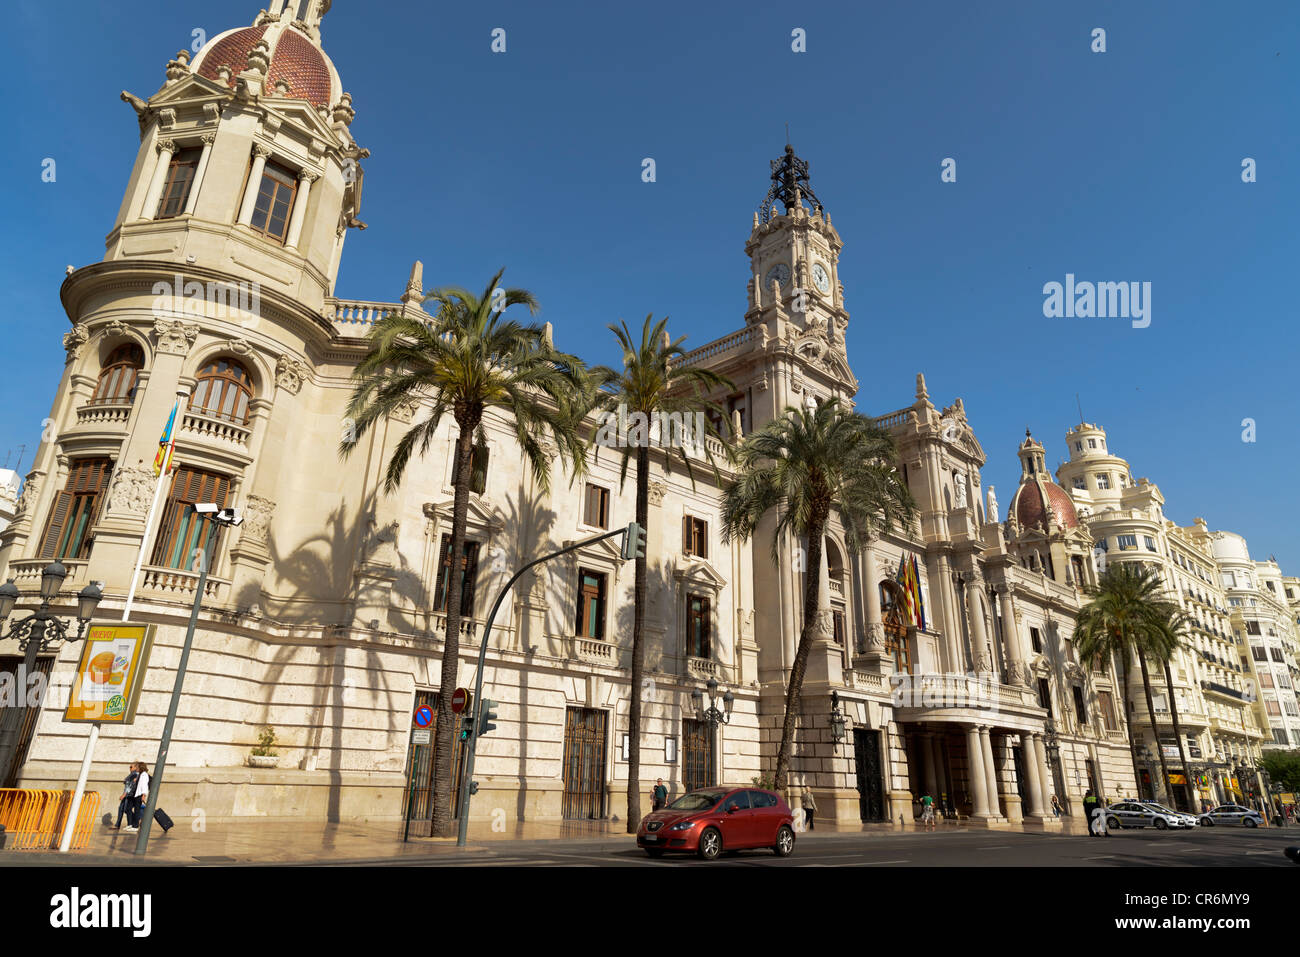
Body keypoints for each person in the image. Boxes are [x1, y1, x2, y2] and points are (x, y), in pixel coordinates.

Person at [114, 763, 140, 830]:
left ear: (136, 768)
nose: (130, 768)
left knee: (125, 809)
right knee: (123, 809)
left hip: (129, 794)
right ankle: (120, 824)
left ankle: (134, 822)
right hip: (129, 794)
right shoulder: (134, 774)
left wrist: (124, 794)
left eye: (131, 767)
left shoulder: (134, 774)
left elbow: (129, 785)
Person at [128, 761, 150, 831]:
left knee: (137, 811)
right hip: (137, 794)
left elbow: (144, 786)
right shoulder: (141, 774)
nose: (136, 768)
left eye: (137, 767)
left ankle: (136, 826)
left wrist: (144, 795)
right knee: (136, 810)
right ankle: (134, 825)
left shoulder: (144, 775)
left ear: (141, 767)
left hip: (140, 794)